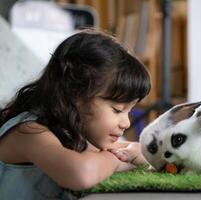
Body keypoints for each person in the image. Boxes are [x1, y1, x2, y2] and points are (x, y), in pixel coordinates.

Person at [0, 30, 151, 199]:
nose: (126, 123)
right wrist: (117, 162)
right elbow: (82, 174)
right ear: (76, 95)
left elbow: (137, 151)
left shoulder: (70, 131)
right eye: (117, 110)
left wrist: (131, 152)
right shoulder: (29, 132)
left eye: (129, 112)